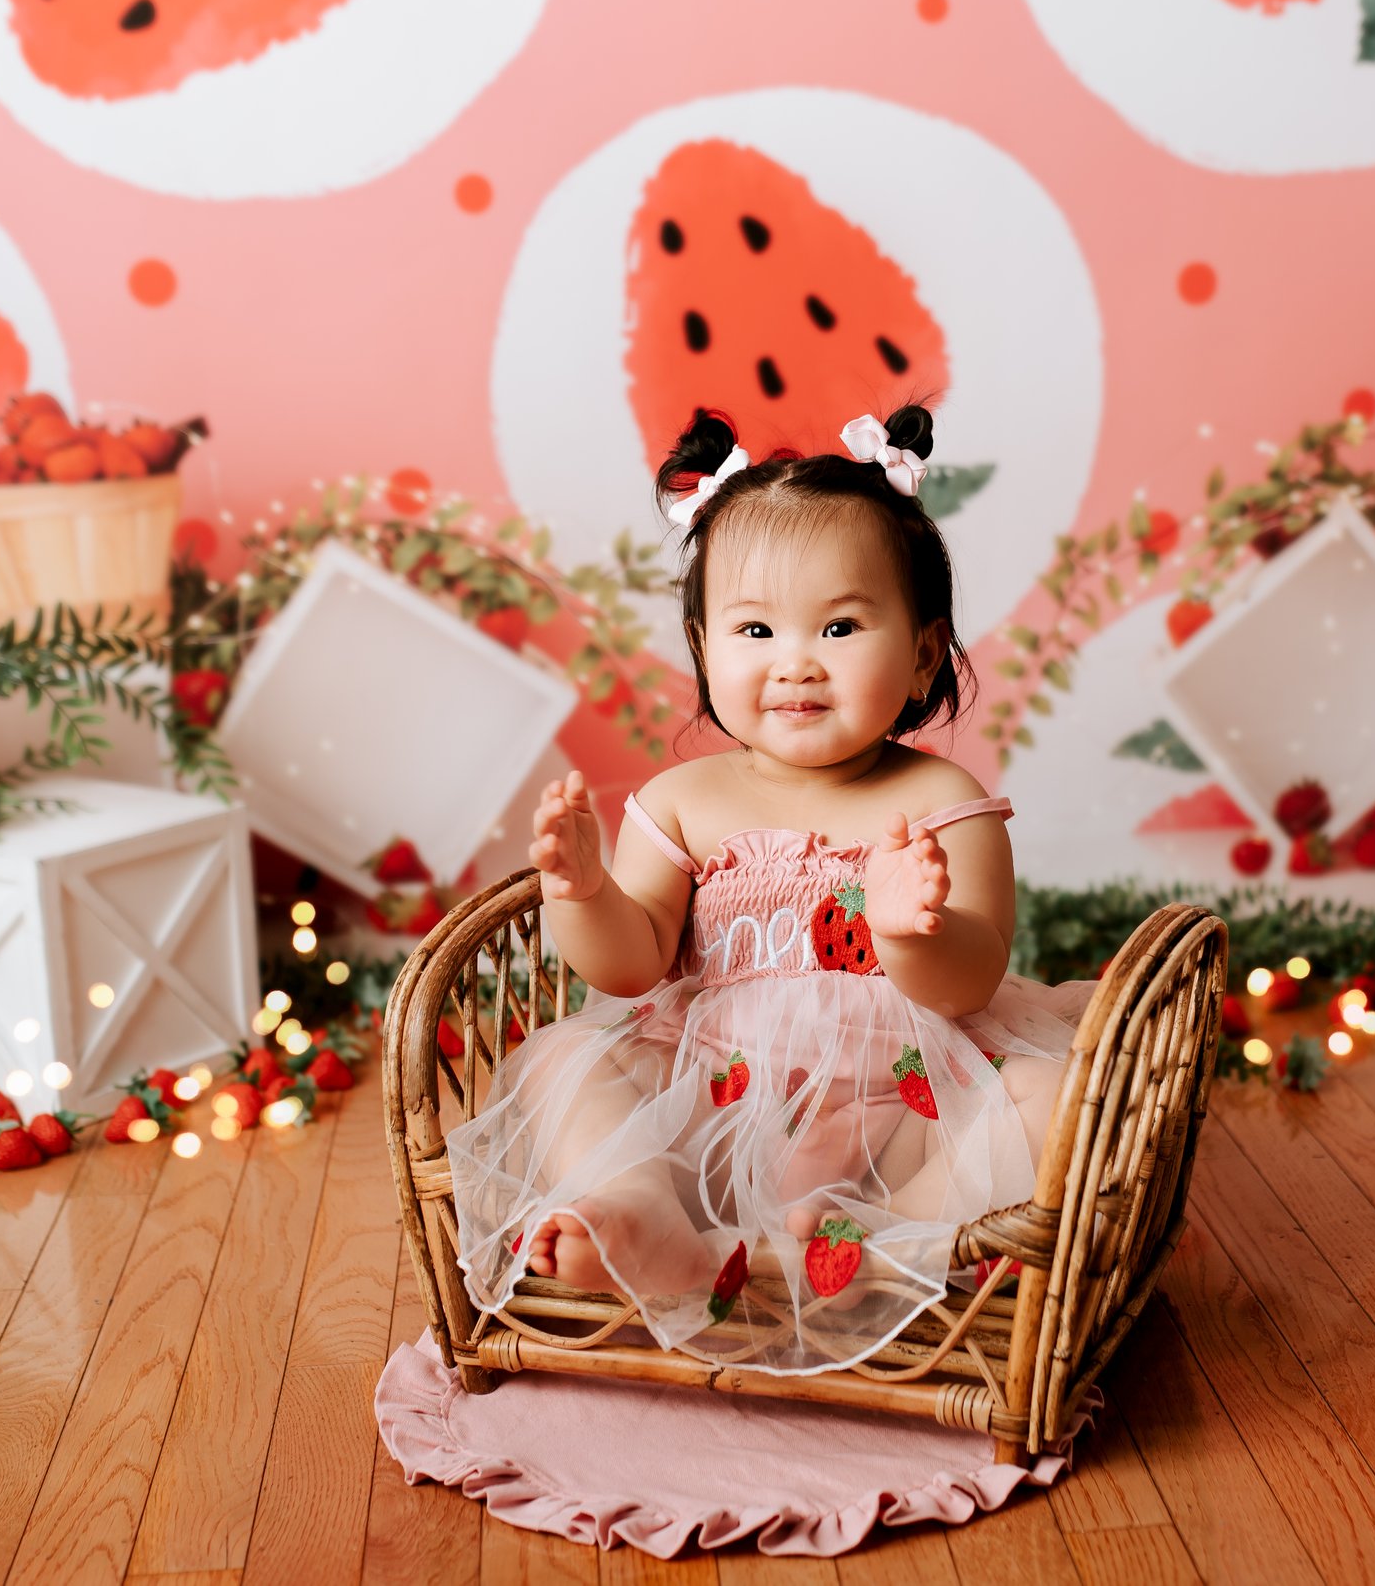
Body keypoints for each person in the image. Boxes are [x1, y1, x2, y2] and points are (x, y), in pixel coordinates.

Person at [445, 403, 1092, 1375]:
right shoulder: (682, 799)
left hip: (900, 1112)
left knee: (1057, 1098)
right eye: (754, 628)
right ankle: (644, 1213)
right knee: (554, 1063)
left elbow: (973, 977)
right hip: (713, 1103)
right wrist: (580, 890)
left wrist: (908, 933)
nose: (794, 660)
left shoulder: (941, 799)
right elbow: (629, 966)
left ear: (921, 651)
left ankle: (879, 1248)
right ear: (705, 649)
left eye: (838, 624)